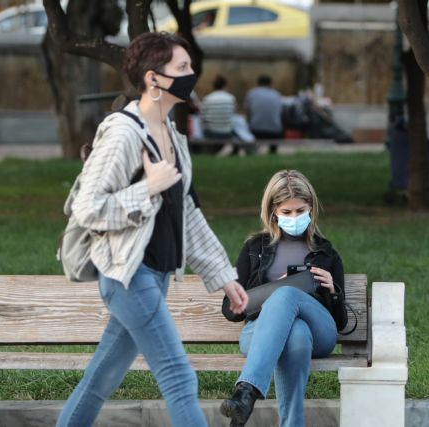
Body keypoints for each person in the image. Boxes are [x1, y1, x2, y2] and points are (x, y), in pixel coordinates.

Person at [57, 32, 249, 427]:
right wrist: (147, 188)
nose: (191, 74)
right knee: (179, 377)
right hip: (129, 277)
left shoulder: (173, 136)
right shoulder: (124, 133)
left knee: (100, 380)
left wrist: (224, 276)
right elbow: (86, 207)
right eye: (182, 67)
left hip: (156, 275)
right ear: (153, 78)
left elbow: (187, 213)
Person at [220, 170, 348, 427]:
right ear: (273, 212)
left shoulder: (325, 251)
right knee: (295, 332)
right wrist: (272, 288)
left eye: (300, 211)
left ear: (311, 209)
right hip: (259, 332)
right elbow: (230, 311)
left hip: (319, 332)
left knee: (288, 294)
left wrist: (332, 291)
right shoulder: (254, 248)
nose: (294, 217)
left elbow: (341, 322)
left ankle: (247, 391)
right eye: (287, 212)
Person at [245, 75, 284, 154]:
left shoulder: (251, 93)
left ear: (258, 83)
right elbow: (280, 113)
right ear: (271, 84)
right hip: (274, 132)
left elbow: (248, 113)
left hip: (256, 131)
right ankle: (273, 152)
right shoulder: (277, 94)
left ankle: (252, 152)